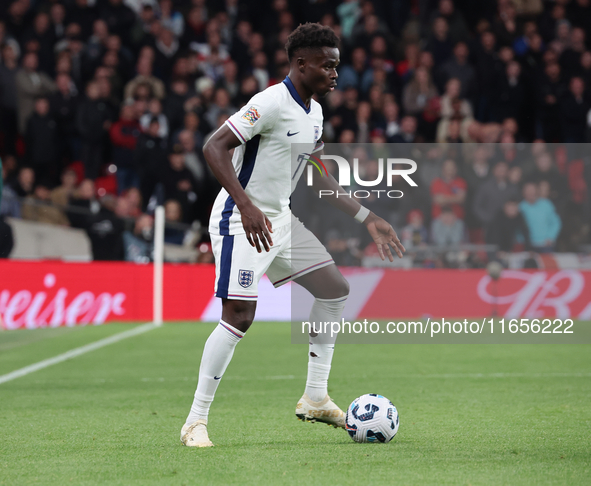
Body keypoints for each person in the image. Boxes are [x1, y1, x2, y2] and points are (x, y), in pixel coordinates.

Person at [181, 23, 405, 448]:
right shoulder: (269, 102)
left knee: (334, 289)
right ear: (301, 64)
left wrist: (367, 217)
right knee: (239, 317)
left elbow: (321, 180)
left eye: (336, 65)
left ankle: (316, 397)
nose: (335, 73)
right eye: (327, 65)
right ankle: (195, 421)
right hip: (239, 220)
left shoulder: (315, 112)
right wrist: (246, 205)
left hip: (280, 221)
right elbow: (214, 147)